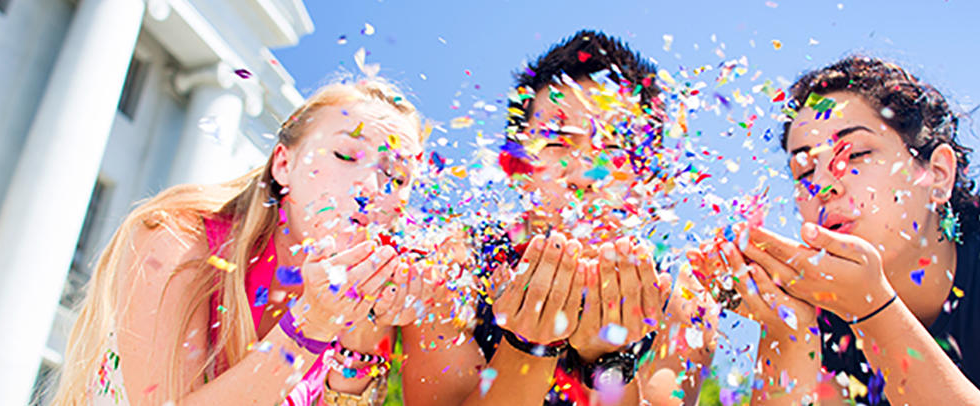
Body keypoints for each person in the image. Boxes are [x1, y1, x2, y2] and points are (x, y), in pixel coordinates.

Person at [690, 55, 980, 405]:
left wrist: (871, 309)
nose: (824, 184)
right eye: (804, 168)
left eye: (858, 153)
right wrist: (789, 332)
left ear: (939, 173)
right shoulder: (823, 325)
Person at [52, 76, 442, 405]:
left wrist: (362, 330)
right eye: (345, 154)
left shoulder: (357, 292)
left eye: (397, 177)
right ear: (284, 165)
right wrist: (312, 323)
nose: (371, 187)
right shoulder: (176, 240)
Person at [399, 30, 719, 406]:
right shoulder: (455, 268)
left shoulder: (680, 299)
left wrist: (606, 364)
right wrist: (529, 345)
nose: (584, 173)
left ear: (649, 178)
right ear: (518, 166)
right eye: (555, 141)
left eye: (615, 146)